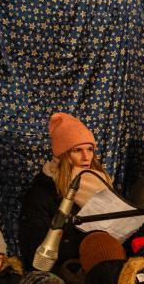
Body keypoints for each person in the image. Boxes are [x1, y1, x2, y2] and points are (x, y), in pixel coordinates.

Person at [18, 113, 116, 275]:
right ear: (63, 154)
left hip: (105, 267)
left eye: (90, 150)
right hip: (66, 272)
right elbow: (33, 249)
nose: (86, 157)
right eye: (77, 150)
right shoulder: (44, 190)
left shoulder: (102, 180)